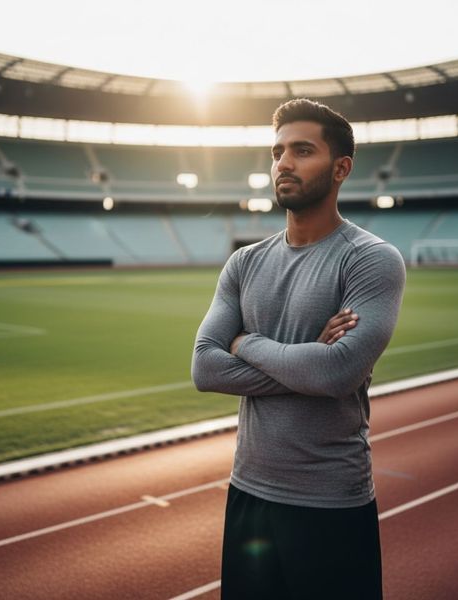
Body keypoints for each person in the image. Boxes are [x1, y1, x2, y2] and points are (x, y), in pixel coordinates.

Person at [191, 99, 406, 599]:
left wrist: (244, 343)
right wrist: (307, 356)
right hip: (248, 494)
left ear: (340, 168)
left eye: (302, 150)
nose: (283, 163)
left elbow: (337, 374)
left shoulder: (371, 260)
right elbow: (204, 366)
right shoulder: (244, 264)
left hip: (331, 502)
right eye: (278, 150)